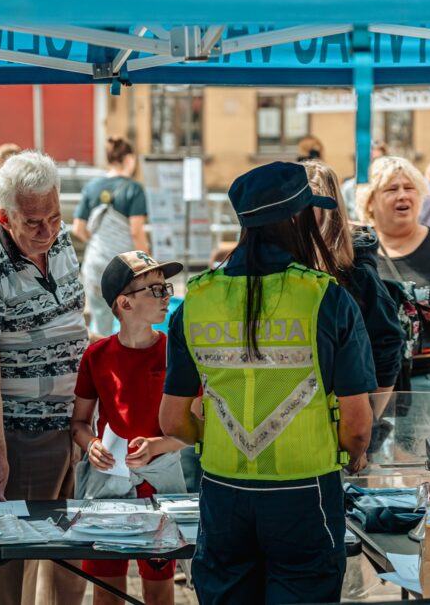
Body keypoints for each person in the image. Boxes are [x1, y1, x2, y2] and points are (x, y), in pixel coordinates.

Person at [159, 162, 374, 604]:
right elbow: (357, 426)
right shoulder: (327, 298)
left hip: (223, 492)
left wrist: (217, 437)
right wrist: (353, 453)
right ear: (297, 218)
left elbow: (173, 421)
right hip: (306, 493)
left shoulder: (195, 300)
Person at [0, 150, 88, 605]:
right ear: (3, 216)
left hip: (67, 425)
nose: (48, 231)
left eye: (55, 217)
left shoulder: (58, 239)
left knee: (68, 561)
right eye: (33, 223)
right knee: (12, 571)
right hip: (17, 434)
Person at [71, 251, 187, 605]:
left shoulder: (176, 354)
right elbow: (78, 423)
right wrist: (91, 444)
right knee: (107, 590)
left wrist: (157, 446)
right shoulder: (97, 356)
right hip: (108, 488)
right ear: (124, 303)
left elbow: (194, 430)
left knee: (159, 590)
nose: (166, 296)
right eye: (155, 290)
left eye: (166, 288)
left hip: (160, 488)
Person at [358, 156, 430, 392]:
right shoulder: (356, 251)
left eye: (410, 188)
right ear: (370, 201)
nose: (402, 195)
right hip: (373, 387)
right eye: (391, 189)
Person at [305, 161, 403, 392]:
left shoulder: (356, 267)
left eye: (307, 201)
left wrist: (372, 408)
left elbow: (387, 341)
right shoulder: (288, 253)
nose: (297, 211)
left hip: (349, 398)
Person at [71, 138, 149, 337]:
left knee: (100, 321)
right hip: (125, 266)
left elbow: (78, 228)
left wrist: (98, 243)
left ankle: (100, 354)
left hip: (95, 264)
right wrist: (147, 263)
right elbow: (136, 232)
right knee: (129, 322)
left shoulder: (92, 187)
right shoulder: (134, 189)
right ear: (129, 159)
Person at [341, 140, 387, 221]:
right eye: (370, 160)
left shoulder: (390, 186)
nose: (373, 164)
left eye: (378, 160)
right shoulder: (348, 188)